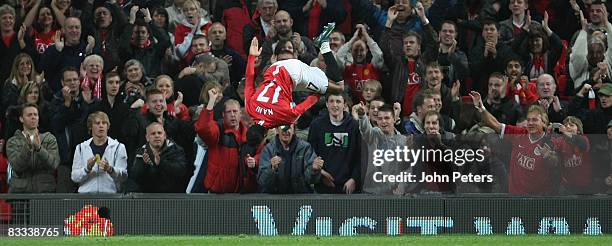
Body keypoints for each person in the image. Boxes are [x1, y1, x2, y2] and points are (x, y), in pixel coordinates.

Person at [244, 36, 344, 129]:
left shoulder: (281, 117)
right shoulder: (249, 108)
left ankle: (324, 45)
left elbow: (302, 107)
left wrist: (319, 93)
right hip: (274, 69)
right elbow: (249, 80)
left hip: (293, 74)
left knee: (339, 88)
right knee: (327, 81)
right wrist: (251, 57)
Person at [471, 91, 558, 194]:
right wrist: (481, 108)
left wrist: (548, 157)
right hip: (515, 196)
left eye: (534, 120)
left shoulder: (551, 141)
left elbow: (556, 163)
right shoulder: (519, 134)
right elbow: (495, 125)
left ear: (544, 123)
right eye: (528, 120)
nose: (530, 123)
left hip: (537, 199)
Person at [194, 88, 247, 193]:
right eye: (229, 112)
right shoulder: (218, 129)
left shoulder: (247, 135)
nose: (232, 114)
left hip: (238, 193)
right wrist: (211, 102)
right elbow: (203, 128)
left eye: (235, 111)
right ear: (223, 114)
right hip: (216, 192)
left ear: (240, 114)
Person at [308, 93, 361, 194]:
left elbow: (359, 156)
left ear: (344, 105)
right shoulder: (316, 125)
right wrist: (320, 173)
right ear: (327, 104)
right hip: (323, 185)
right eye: (331, 101)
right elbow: (310, 153)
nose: (335, 105)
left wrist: (354, 179)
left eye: (338, 101)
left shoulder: (354, 126)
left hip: (348, 186)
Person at [6, 103, 60, 193]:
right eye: (29, 115)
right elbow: (16, 167)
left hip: (44, 192)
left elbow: (54, 164)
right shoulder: (13, 141)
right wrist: (27, 148)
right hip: (20, 193)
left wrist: (39, 149)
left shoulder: (49, 138)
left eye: (35, 114)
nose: (33, 117)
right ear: (21, 119)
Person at [71, 111, 128, 193]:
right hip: (86, 197)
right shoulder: (80, 148)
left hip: (110, 196)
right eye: (97, 123)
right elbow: (74, 177)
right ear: (90, 127)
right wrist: (87, 169)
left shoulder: (119, 147)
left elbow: (124, 177)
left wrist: (110, 169)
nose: (101, 126)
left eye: (104, 123)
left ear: (107, 126)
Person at [257, 123, 322, 194]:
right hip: (276, 198)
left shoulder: (305, 148)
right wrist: (271, 169)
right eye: (283, 128)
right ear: (277, 130)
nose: (286, 131)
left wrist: (314, 170)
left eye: (289, 128)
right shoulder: (268, 149)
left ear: (294, 130)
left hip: (300, 197)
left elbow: (312, 180)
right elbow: (262, 181)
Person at [127, 122, 187, 193]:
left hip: (171, 196)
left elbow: (181, 172)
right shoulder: (140, 153)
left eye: (159, 133)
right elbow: (134, 178)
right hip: (147, 197)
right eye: (153, 133)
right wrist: (144, 165)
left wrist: (161, 163)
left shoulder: (176, 150)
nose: (157, 136)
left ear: (164, 135)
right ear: (147, 138)